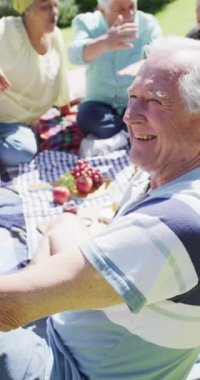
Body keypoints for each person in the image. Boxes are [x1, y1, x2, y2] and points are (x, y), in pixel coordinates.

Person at [1, 35, 200, 380]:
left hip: (66, 367)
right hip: (71, 335)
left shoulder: (174, 224)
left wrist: (28, 301)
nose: (129, 116)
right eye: (132, 96)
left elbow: (7, 308)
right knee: (62, 223)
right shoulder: (171, 183)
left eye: (154, 101)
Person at [68, 0, 162, 139]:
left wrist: (144, 63)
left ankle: (124, 134)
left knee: (156, 113)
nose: (129, 14)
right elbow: (74, 56)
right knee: (86, 118)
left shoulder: (147, 23)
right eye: (120, 10)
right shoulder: (86, 22)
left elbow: (161, 55)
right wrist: (105, 42)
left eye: (131, 7)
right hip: (98, 103)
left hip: (134, 102)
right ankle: (134, 133)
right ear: (102, 10)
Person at [0, 0, 69, 168]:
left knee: (22, 151)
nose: (54, 12)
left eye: (55, 5)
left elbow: (61, 78)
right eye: (45, 7)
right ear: (26, 11)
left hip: (16, 125)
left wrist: (65, 110)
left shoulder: (56, 36)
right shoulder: (6, 29)